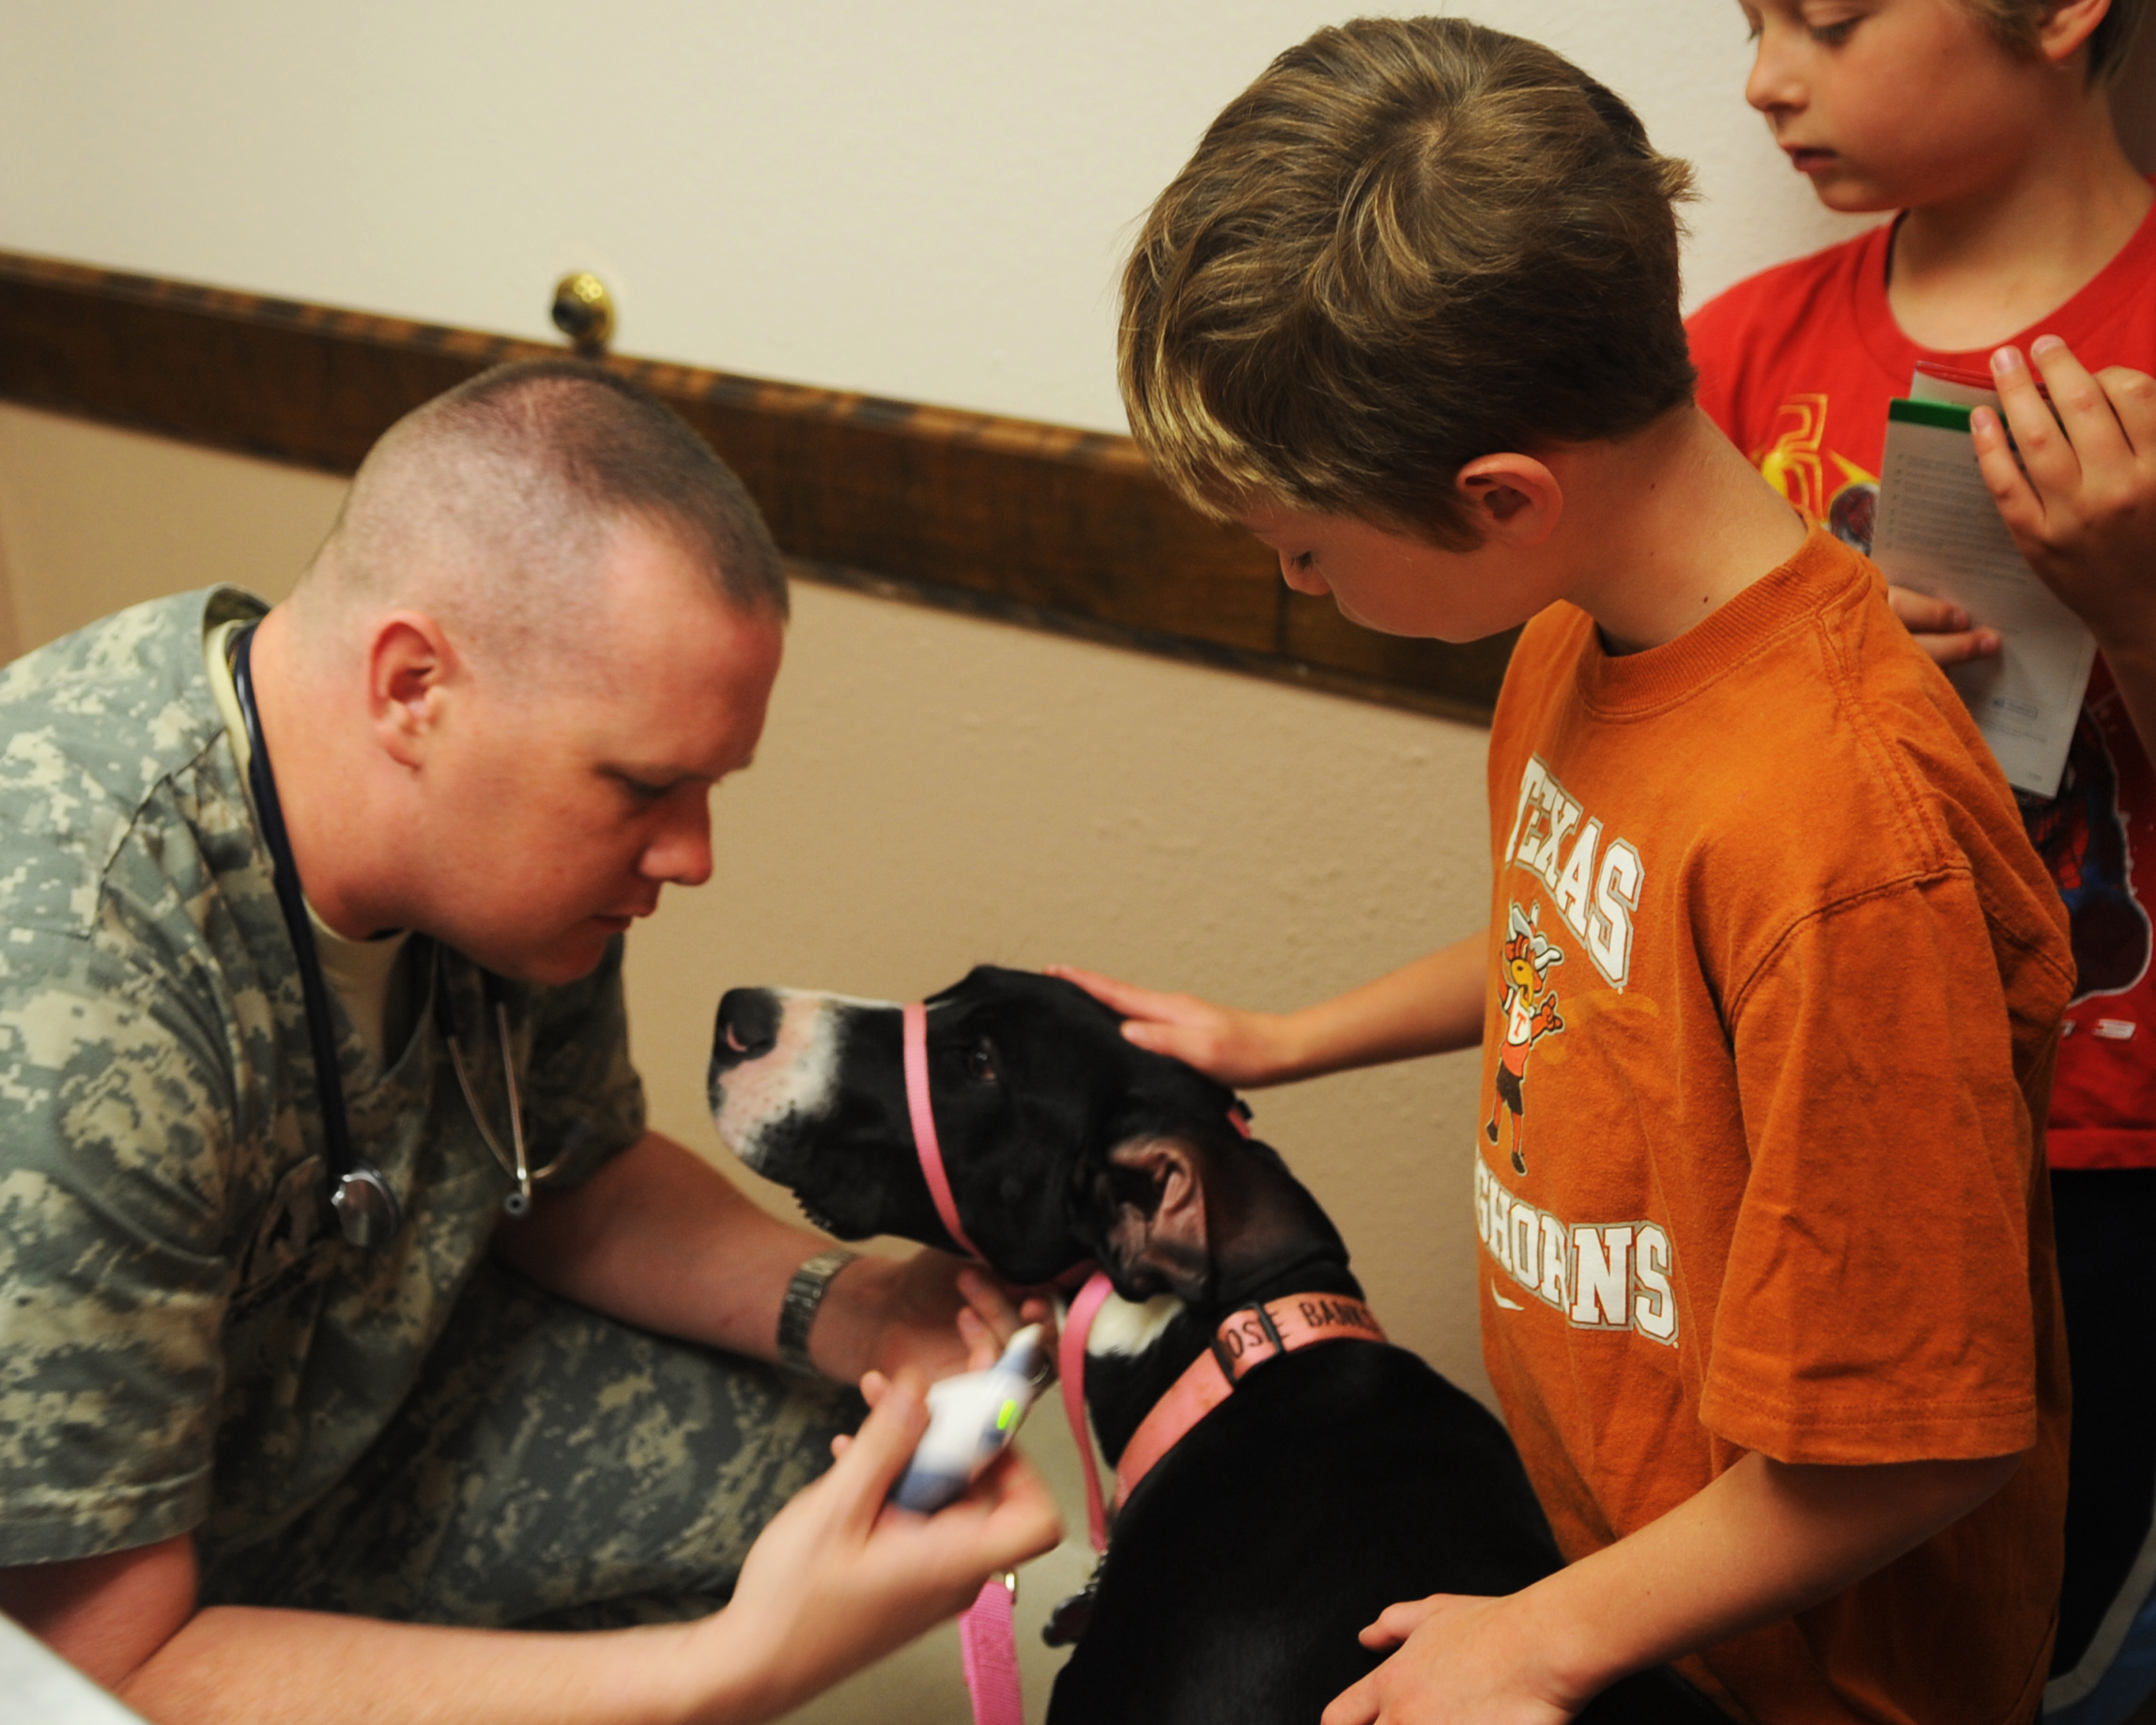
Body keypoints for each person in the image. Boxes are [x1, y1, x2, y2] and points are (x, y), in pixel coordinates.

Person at [1060, 16, 2072, 1724]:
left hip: (1797, 1687)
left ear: (1502, 497)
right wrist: (1280, 1039)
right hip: (1626, 1591)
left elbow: (1923, 1439)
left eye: (1304, 548)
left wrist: (1545, 1635)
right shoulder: (1574, 641)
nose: (1301, 585)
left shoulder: (1843, 842)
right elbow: (1593, 956)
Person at [0, 359, 1060, 1723]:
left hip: (316, 1433)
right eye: (645, 786)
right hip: (85, 1616)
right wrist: (732, 1665)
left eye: (707, 786)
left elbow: (565, 1166)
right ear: (412, 687)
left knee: (849, 1473)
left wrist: (849, 1306)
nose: (692, 855)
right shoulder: (70, 980)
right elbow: (99, 1675)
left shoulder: (494, 872)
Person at [1684, 5, 2156, 1717]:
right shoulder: (1734, 357)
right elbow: (1649, 766)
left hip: (2104, 1157)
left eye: (1826, 19)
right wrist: (1801, 655)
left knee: (2035, 1656)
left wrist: (2135, 606)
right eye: (1750, 22)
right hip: (1794, 1120)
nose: (1764, 80)